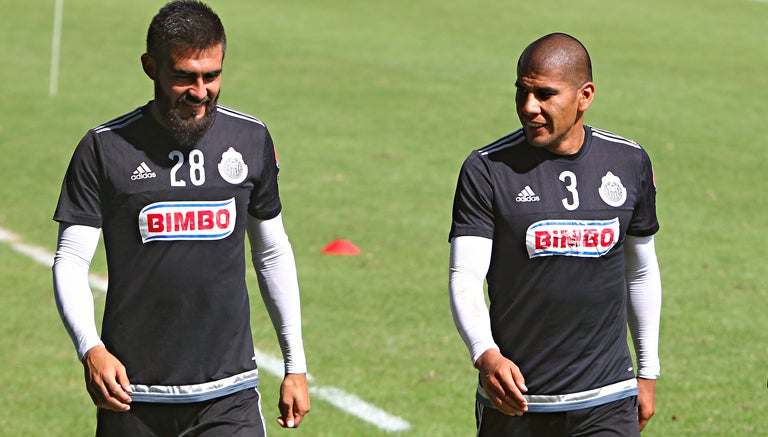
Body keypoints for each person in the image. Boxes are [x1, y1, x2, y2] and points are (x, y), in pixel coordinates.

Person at [52, 1, 310, 435]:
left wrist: (295, 365)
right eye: (184, 76)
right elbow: (71, 260)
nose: (200, 90)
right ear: (150, 67)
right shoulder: (103, 148)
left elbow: (272, 254)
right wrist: (89, 349)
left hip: (230, 396)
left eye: (212, 75)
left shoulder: (250, 139)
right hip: (131, 397)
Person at [448, 33, 662, 436]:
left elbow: (641, 272)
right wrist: (485, 355)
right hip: (517, 401)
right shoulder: (487, 168)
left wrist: (647, 371)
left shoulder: (629, 160)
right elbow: (466, 275)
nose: (529, 108)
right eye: (522, 93)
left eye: (545, 95)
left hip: (608, 398)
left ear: (585, 95)